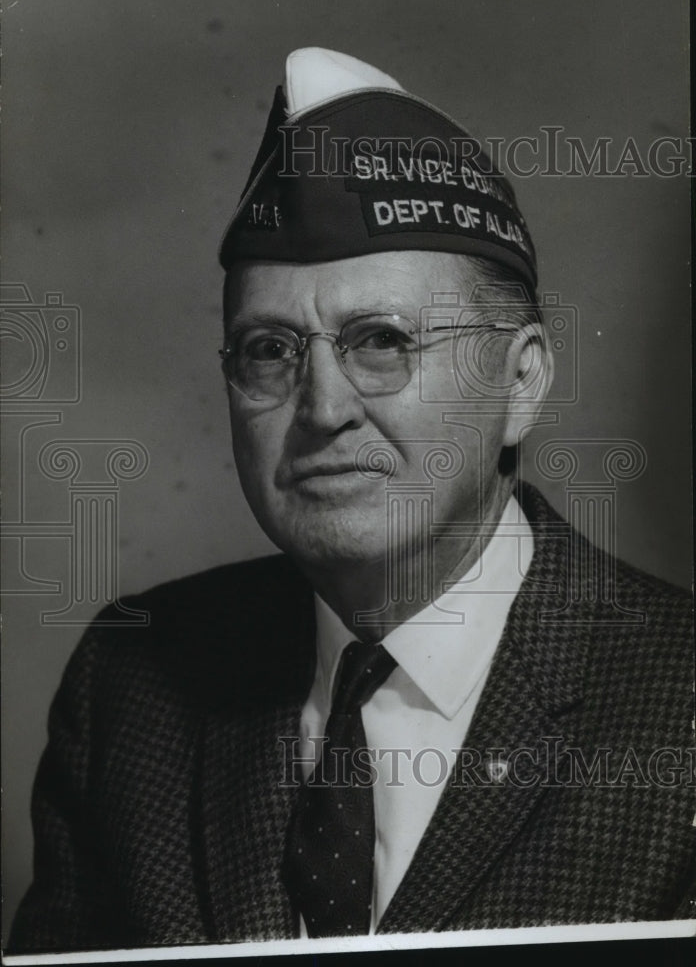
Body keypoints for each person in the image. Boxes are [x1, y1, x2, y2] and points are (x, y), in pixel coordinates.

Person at [9, 47, 695, 953]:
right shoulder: (131, 688)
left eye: (381, 341)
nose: (323, 408)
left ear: (522, 383)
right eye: (269, 351)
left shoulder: (677, 705)